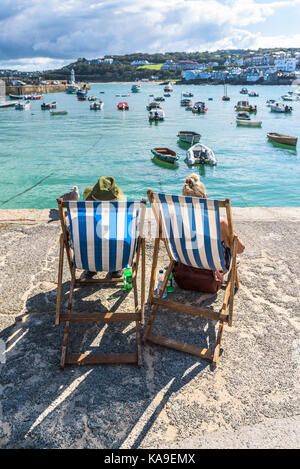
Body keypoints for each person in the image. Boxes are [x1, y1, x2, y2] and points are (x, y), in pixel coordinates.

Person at [182, 174, 245, 267]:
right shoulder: (219, 223)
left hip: (182, 271)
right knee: (227, 244)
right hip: (210, 277)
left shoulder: (176, 219)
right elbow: (240, 249)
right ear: (205, 197)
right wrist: (229, 237)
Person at [82, 176, 126, 279]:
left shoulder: (85, 217)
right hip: (115, 250)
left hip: (90, 253)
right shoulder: (121, 218)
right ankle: (116, 269)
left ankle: (91, 268)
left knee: (83, 234)